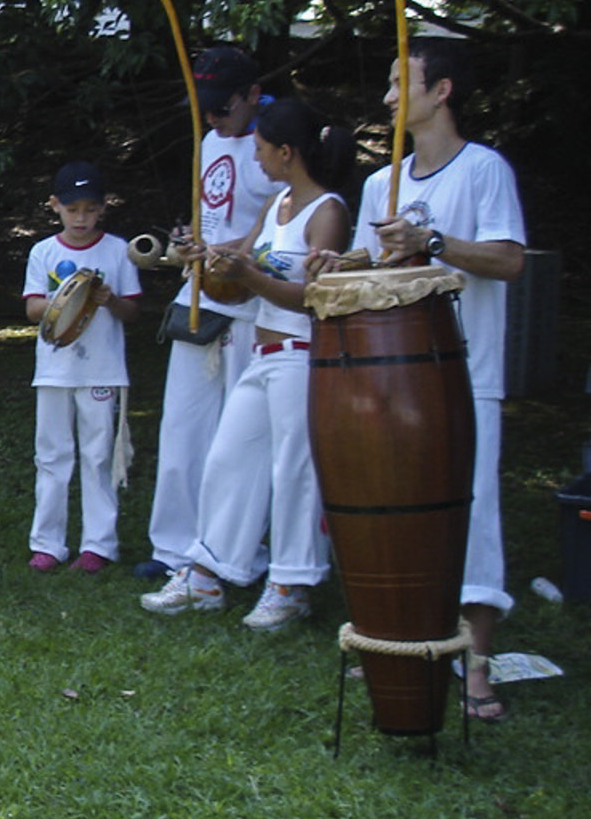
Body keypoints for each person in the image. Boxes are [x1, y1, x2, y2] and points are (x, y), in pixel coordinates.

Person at [357, 40, 525, 720]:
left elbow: (509, 261)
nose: (391, 97)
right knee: (404, 513)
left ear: (443, 91)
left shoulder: (484, 170)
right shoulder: (381, 184)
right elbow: (372, 276)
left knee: (475, 513)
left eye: (403, 83)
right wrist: (333, 264)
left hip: (468, 375)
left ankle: (477, 666)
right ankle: (408, 642)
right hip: (397, 381)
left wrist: (432, 244)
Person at [140, 99, 353, 629]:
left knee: (294, 471)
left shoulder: (327, 210)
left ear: (287, 152)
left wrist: (248, 275)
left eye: (260, 150)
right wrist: (204, 256)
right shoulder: (278, 201)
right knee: (228, 458)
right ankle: (209, 573)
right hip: (265, 354)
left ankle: (292, 584)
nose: (254, 159)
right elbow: (243, 256)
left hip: (304, 356)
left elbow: (312, 296)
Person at [138, 45, 284, 582]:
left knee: (239, 438)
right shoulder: (210, 139)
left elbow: (285, 217)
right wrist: (190, 244)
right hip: (200, 298)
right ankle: (175, 547)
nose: (213, 117)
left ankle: (236, 550)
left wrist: (236, 256)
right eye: (205, 107)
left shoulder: (276, 141)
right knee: (183, 426)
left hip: (253, 302)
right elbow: (211, 212)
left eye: (223, 106)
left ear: (252, 94)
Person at [21, 160, 142, 572]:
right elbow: (33, 309)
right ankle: (48, 543)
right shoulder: (44, 251)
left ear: (103, 208)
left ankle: (98, 544)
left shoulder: (118, 250)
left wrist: (107, 299)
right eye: (73, 209)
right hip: (54, 368)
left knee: (97, 455)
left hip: (102, 369)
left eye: (90, 209)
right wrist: (67, 297)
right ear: (55, 205)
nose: (81, 218)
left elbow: (133, 312)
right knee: (52, 454)